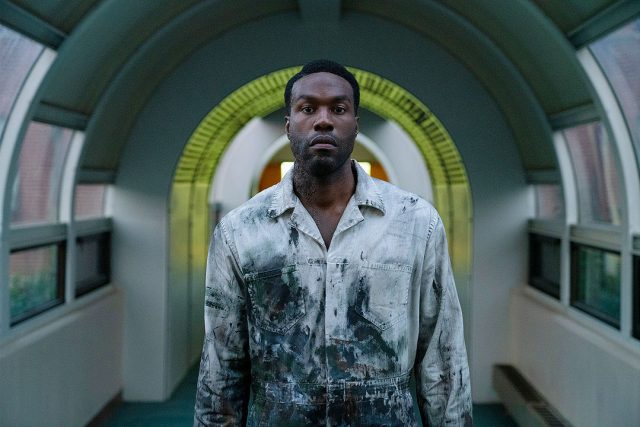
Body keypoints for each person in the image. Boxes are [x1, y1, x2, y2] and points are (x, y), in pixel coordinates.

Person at [194, 59, 472, 426]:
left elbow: (442, 358)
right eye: (307, 108)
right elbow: (222, 366)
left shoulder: (416, 223)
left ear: (355, 124)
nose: (323, 120)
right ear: (289, 125)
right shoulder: (240, 231)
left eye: (338, 109)